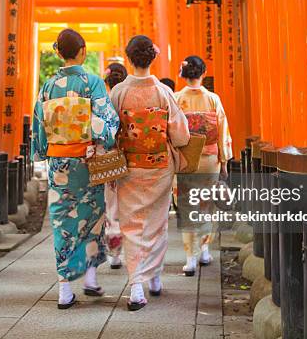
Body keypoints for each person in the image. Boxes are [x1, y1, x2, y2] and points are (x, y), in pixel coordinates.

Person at [31, 29, 120, 309]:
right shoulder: (92, 82)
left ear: (59, 52)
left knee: (62, 222)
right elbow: (107, 121)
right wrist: (104, 136)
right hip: (87, 161)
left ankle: (64, 289)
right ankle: (91, 279)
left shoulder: (47, 87)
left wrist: (42, 152)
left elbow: (39, 126)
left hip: (59, 162)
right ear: (82, 51)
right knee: (92, 217)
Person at [109, 35, 190, 311]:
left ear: (129, 58)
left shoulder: (118, 92)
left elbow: (109, 133)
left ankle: (136, 286)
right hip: (158, 166)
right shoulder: (163, 92)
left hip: (129, 166)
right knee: (157, 222)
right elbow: (180, 136)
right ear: (151, 57)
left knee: (131, 224)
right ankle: (154, 277)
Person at [174, 55, 233, 276]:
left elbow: (173, 132)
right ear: (203, 73)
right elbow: (222, 129)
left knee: (187, 205)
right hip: (209, 160)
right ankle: (205, 250)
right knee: (206, 205)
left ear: (183, 74)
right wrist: (225, 160)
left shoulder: (177, 98)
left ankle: (190, 258)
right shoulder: (213, 99)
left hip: (186, 159)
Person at [103, 62, 128, 269]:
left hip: (111, 159)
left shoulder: (106, 101)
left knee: (111, 205)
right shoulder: (131, 96)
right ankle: (136, 250)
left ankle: (114, 252)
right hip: (134, 157)